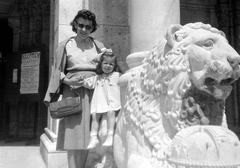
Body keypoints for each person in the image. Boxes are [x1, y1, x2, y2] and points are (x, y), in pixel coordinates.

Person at [44, 9, 106, 168]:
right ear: (75, 25)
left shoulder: (99, 46)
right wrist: (67, 81)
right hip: (72, 91)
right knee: (73, 135)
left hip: (94, 91)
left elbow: (107, 68)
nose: (84, 29)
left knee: (89, 134)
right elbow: (58, 71)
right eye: (81, 25)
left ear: (93, 28)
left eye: (88, 26)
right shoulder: (65, 45)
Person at [73, 49, 122, 149]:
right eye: (105, 63)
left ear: (114, 66)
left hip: (113, 103)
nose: (108, 66)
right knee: (95, 115)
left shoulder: (118, 76)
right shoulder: (98, 77)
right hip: (100, 102)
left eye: (111, 64)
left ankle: (110, 135)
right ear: (101, 64)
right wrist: (80, 81)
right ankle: (93, 137)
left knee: (110, 113)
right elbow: (88, 83)